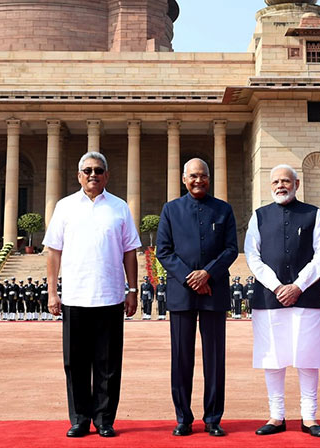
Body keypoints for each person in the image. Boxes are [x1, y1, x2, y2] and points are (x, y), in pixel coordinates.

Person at [43, 151, 140, 439]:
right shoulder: (64, 207)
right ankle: (80, 419)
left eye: (98, 170)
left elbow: (130, 252)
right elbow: (53, 252)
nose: (93, 175)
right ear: (79, 175)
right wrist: (52, 292)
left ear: (107, 175)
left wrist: (132, 290)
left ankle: (105, 419)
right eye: (87, 170)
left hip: (110, 295)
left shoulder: (120, 208)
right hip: (74, 295)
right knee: (75, 363)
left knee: (108, 363)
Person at [245, 164, 320, 438]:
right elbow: (252, 256)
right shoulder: (258, 216)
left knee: (307, 357)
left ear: (297, 184)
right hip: (269, 298)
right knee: (273, 358)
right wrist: (276, 286)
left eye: (286, 181)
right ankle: (276, 416)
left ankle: (309, 417)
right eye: (275, 182)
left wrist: (297, 285)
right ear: (270, 186)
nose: (280, 185)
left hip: (306, 296)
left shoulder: (313, 214)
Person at [156, 158, 238, 438]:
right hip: (182, 293)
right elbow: (164, 251)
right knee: (181, 357)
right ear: (183, 179)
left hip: (214, 291)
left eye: (202, 176)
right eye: (193, 176)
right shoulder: (171, 210)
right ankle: (183, 417)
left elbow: (230, 250)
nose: (198, 181)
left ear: (209, 178)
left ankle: (213, 417)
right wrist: (191, 277)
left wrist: (207, 274)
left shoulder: (223, 210)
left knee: (215, 358)